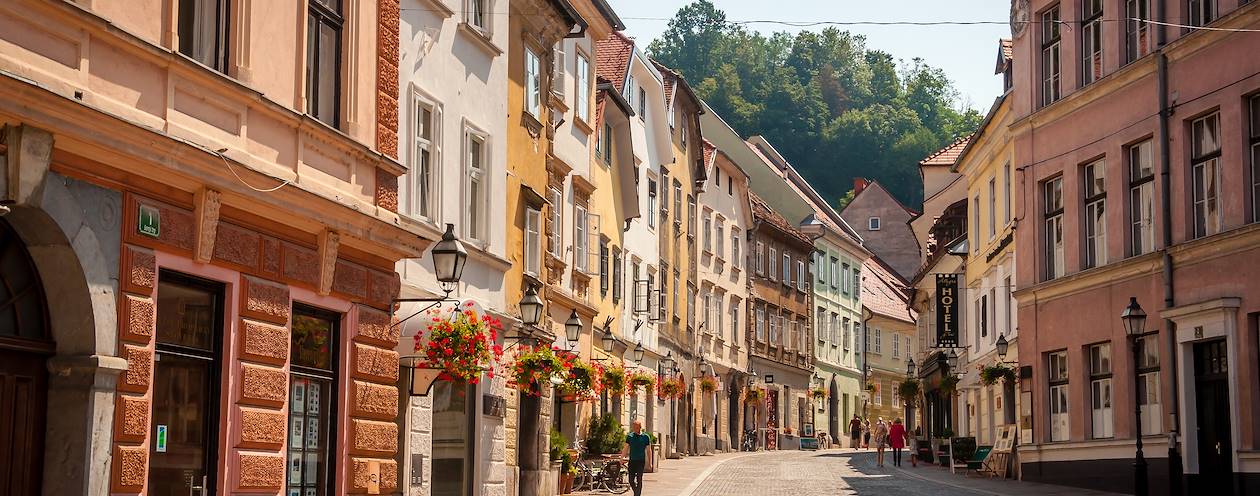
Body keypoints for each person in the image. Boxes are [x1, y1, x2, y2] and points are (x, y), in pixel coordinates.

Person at [623, 420, 651, 496]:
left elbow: (649, 450)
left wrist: (650, 463)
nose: (634, 428)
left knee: (639, 479)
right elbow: (625, 448)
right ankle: (637, 493)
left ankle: (637, 495)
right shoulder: (630, 436)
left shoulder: (645, 437)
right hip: (632, 461)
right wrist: (621, 458)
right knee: (631, 480)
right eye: (633, 427)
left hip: (641, 461)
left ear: (640, 427)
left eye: (636, 427)